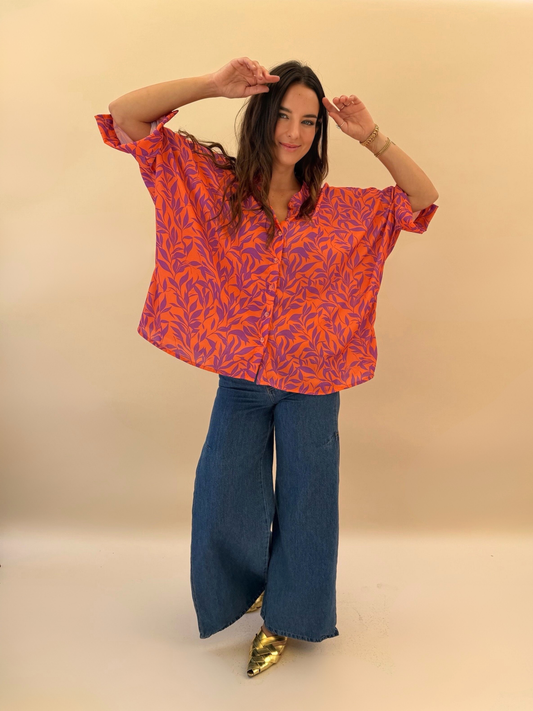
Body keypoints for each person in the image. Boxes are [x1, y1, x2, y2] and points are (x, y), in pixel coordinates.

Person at [94, 57, 439, 677]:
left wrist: (371, 136)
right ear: (260, 117)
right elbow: (125, 117)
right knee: (223, 497)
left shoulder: (338, 210)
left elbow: (421, 199)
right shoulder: (215, 186)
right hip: (242, 383)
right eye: (282, 115)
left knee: (308, 508)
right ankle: (250, 588)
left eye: (309, 121)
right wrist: (212, 85)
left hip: (314, 384)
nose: (294, 131)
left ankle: (288, 618)